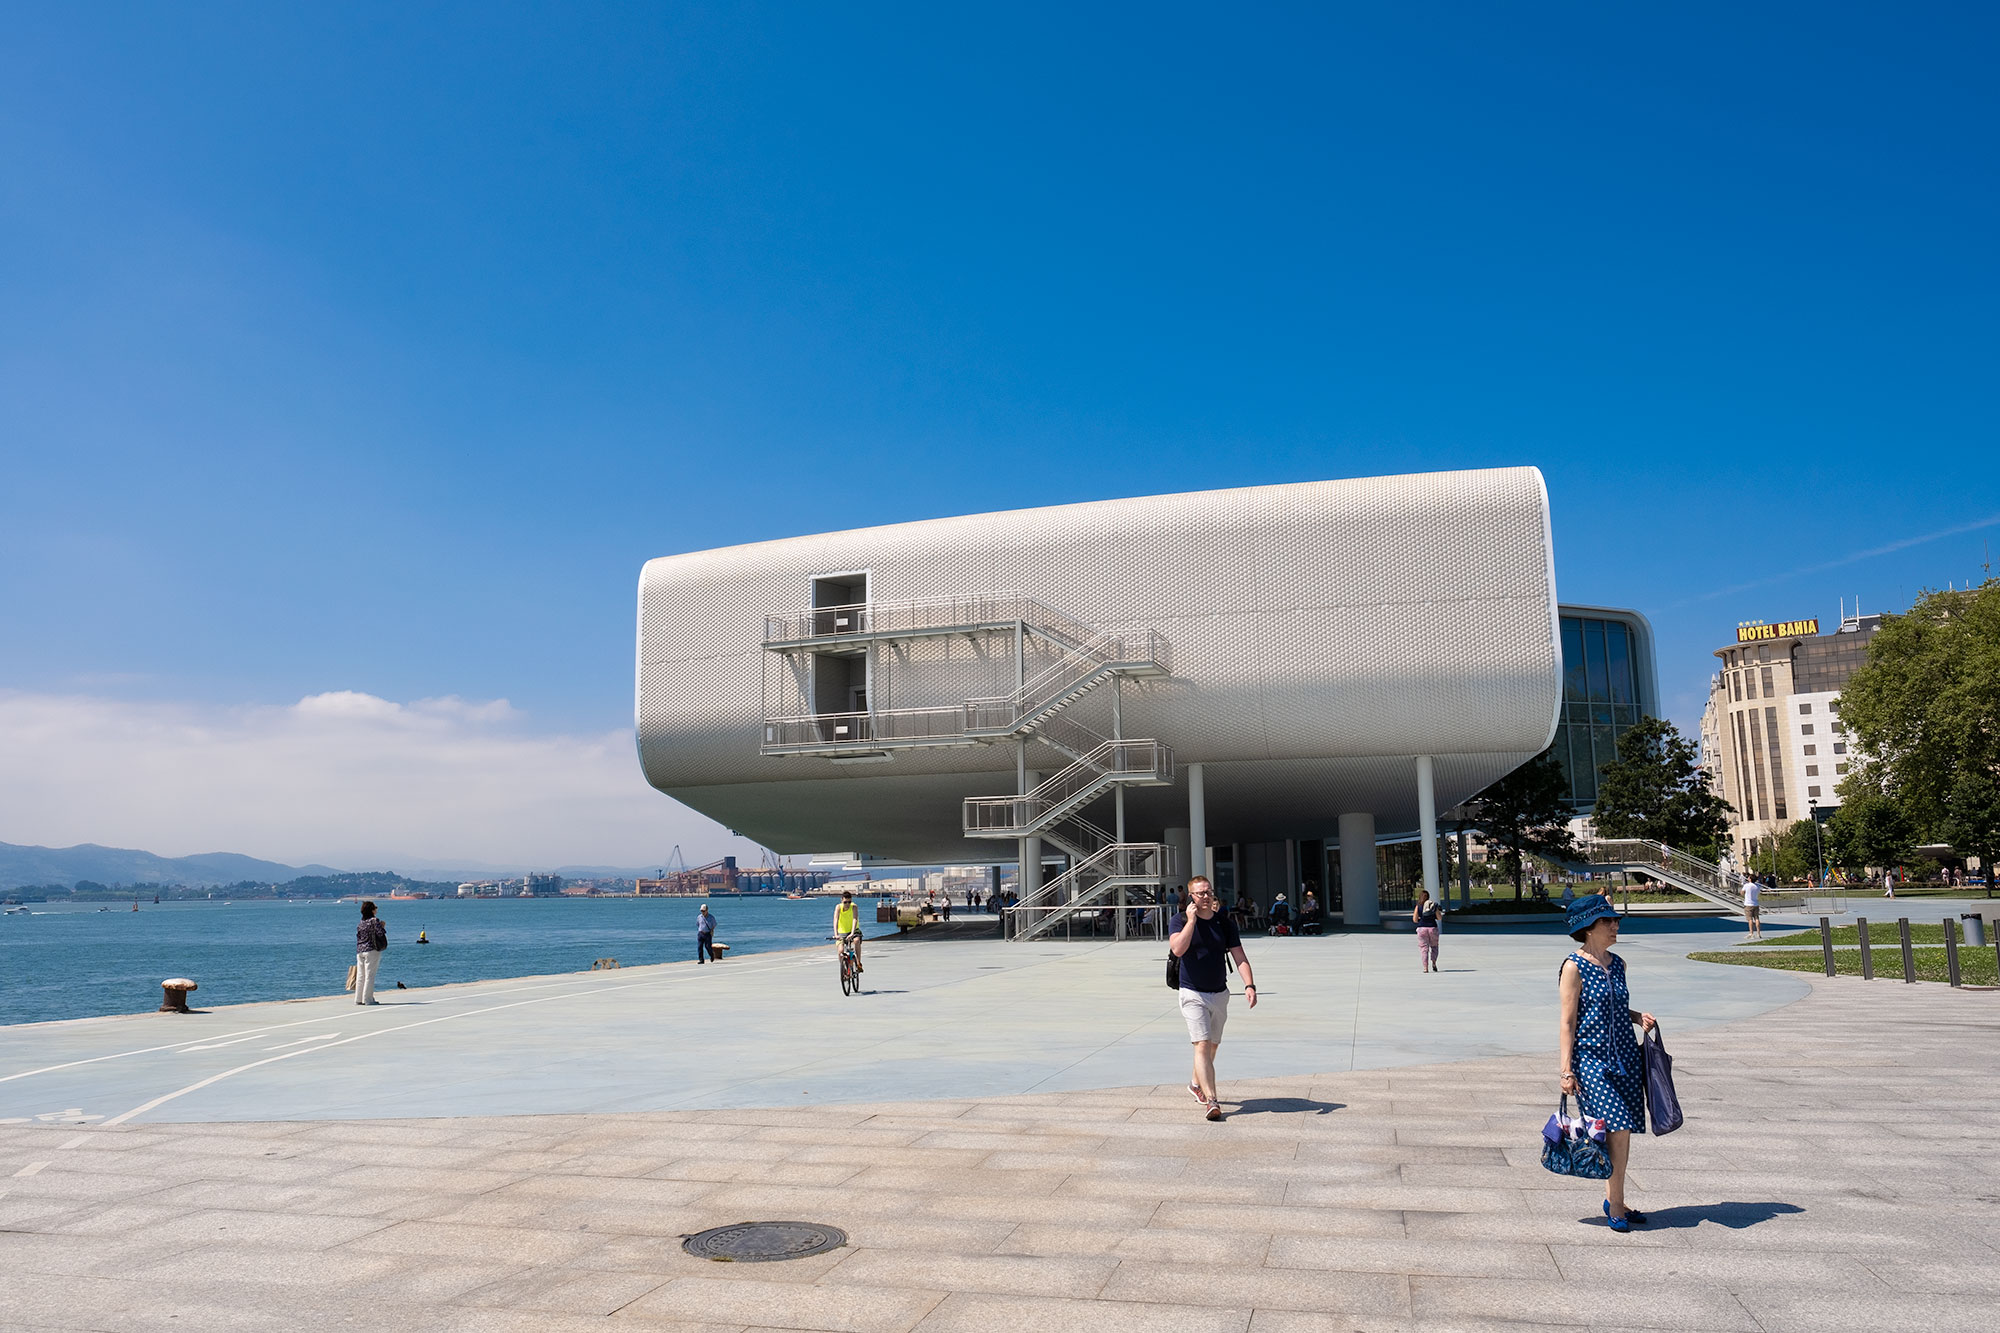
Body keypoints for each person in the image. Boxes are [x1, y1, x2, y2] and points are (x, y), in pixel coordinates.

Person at [1557, 894, 1657, 1232]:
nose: (1615, 926)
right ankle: (1615, 1204)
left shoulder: (1619, 964)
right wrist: (1566, 1070)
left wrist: (1635, 1016)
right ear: (1587, 928)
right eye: (1607, 921)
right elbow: (1568, 1022)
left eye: (1615, 921)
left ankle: (1616, 1197)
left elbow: (1613, 1008)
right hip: (1591, 1061)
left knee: (1622, 1132)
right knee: (1618, 1124)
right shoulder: (1573, 966)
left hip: (1626, 1057)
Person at [1169, 875, 1257, 1122]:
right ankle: (1212, 1100)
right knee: (1202, 1044)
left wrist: (1249, 985)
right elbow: (1177, 949)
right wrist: (1191, 921)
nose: (1205, 897)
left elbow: (1239, 956)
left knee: (1213, 1045)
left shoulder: (1225, 923)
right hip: (1191, 992)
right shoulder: (1179, 920)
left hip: (1219, 993)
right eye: (1200, 893)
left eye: (1208, 892)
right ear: (1191, 897)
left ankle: (1196, 1083)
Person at [354, 900, 387, 1005]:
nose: (376, 909)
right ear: (372, 910)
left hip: (360, 951)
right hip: (371, 950)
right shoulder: (374, 921)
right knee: (370, 975)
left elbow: (358, 936)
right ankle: (368, 999)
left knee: (361, 975)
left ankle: (358, 998)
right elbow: (380, 933)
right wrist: (382, 926)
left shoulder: (361, 923)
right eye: (375, 907)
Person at [833, 889, 863, 973]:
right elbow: (835, 920)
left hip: (854, 930)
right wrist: (836, 934)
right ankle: (843, 969)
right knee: (840, 951)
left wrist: (852, 933)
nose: (847, 904)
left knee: (856, 941)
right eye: (845, 902)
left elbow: (855, 919)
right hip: (842, 932)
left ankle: (858, 963)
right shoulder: (838, 907)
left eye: (849, 902)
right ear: (841, 900)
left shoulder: (854, 907)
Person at [1413, 889, 1442, 973]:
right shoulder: (1433, 906)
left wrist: (1420, 919)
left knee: (1424, 948)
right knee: (1434, 947)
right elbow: (1439, 918)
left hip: (1421, 929)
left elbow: (1414, 919)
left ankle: (1425, 968)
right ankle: (1434, 963)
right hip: (1432, 928)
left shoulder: (1418, 906)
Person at [1743, 873, 1762, 939]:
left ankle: (1751, 933)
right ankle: (1758, 933)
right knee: (1756, 918)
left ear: (1750, 879)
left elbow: (1742, 892)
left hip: (1748, 904)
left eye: (1748, 877)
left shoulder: (1746, 885)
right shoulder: (1757, 886)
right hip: (1755, 903)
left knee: (1750, 919)